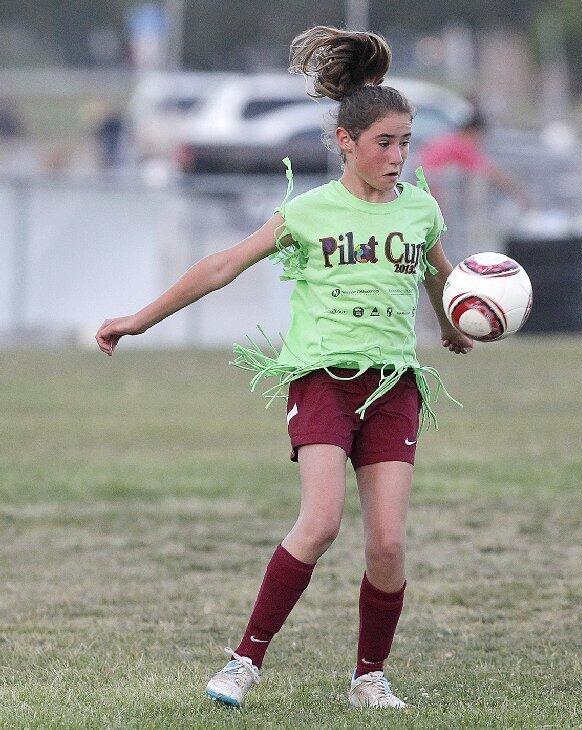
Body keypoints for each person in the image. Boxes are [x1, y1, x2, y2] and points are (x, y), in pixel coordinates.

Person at [95, 25, 473, 710]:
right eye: (384, 143)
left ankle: (368, 679)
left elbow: (440, 279)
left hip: (394, 387)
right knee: (322, 522)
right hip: (323, 380)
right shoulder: (308, 211)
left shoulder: (420, 208)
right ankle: (244, 661)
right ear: (346, 143)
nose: (397, 157)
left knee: (388, 545)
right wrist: (138, 319)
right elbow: (220, 267)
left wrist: (454, 326)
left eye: (406, 143)